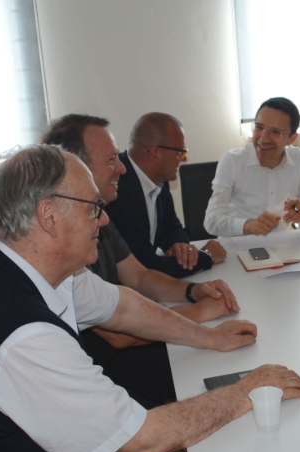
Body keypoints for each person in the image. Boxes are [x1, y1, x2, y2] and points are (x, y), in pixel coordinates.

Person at [0, 145, 300, 452]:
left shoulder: (23, 260)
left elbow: (122, 308)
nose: (102, 221)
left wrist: (210, 338)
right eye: (92, 208)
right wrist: (247, 390)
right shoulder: (21, 335)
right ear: (48, 217)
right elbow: (141, 442)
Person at [42, 114, 239, 408]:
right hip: (101, 369)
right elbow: (119, 334)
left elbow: (139, 276)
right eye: (111, 160)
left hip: (120, 351)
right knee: (209, 376)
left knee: (212, 362)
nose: (122, 167)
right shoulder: (60, 244)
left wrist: (192, 291)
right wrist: (200, 315)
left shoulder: (99, 216)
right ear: (75, 167)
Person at [104, 112, 226, 279]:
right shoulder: (119, 190)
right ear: (155, 155)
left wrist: (179, 245)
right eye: (181, 152)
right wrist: (206, 257)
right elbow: (145, 267)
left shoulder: (158, 178)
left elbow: (171, 226)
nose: (183, 159)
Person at [204, 97, 300, 237]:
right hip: (237, 245)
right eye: (259, 127)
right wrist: (249, 225)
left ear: (292, 139)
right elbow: (211, 222)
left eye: (276, 132)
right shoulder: (232, 161)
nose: (264, 138)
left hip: (281, 245)